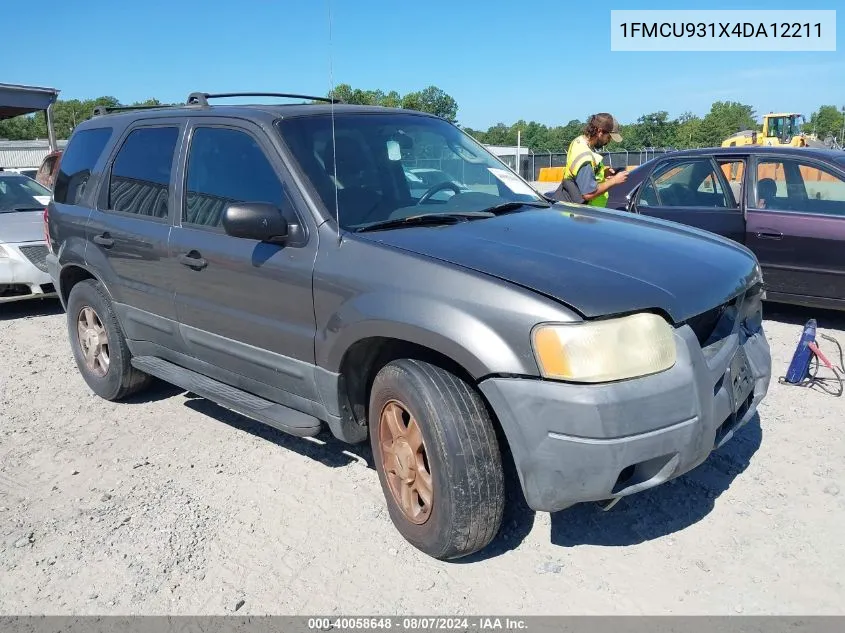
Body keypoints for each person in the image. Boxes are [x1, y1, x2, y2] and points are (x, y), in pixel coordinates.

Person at [557, 113, 629, 207]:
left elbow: (579, 175)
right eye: (609, 137)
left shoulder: (578, 141)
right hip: (583, 215)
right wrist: (614, 180)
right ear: (600, 131)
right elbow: (588, 194)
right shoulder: (585, 158)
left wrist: (604, 173)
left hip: (577, 211)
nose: (609, 141)